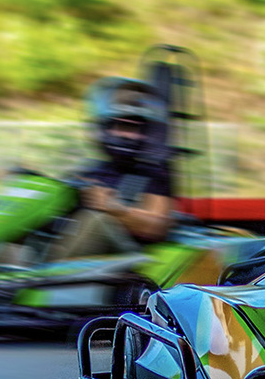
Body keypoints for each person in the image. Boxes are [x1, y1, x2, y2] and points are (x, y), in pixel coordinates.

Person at [44, 86, 175, 260]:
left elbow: (156, 227)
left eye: (131, 128)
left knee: (96, 221)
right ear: (104, 129)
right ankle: (6, 280)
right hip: (81, 259)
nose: (123, 134)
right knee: (19, 239)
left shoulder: (153, 174)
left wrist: (112, 207)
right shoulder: (89, 171)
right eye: (118, 126)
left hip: (128, 260)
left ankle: (46, 281)